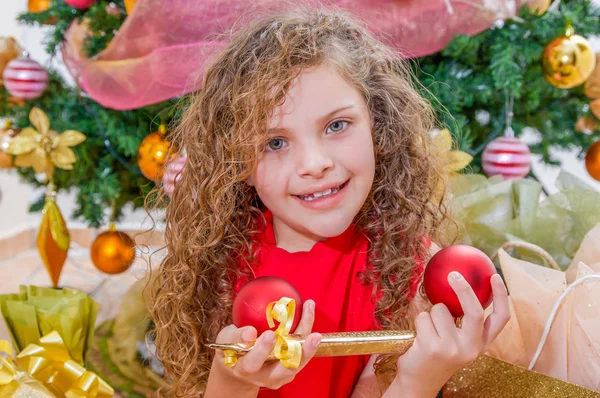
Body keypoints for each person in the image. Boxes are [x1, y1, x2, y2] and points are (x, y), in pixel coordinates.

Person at [150, 7, 510, 398]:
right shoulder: (218, 266)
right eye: (275, 142)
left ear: (378, 125)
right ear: (236, 160)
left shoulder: (408, 270)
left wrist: (417, 381)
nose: (315, 164)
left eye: (336, 125)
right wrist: (233, 383)